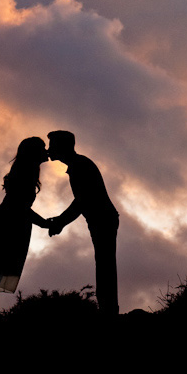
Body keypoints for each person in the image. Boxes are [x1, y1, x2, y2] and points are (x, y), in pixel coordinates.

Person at [0, 137, 51, 325]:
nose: (46, 151)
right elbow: (19, 205)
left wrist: (43, 223)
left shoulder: (27, 171)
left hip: (12, 223)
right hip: (6, 224)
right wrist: (44, 223)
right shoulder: (25, 172)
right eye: (42, 148)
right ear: (33, 153)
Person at [46, 130, 120, 318]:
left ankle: (108, 312)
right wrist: (61, 221)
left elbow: (81, 201)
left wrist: (60, 222)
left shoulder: (80, 166)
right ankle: (108, 310)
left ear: (61, 147)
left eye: (52, 145)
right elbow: (81, 201)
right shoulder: (78, 164)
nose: (49, 149)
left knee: (105, 265)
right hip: (101, 220)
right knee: (104, 264)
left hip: (103, 220)